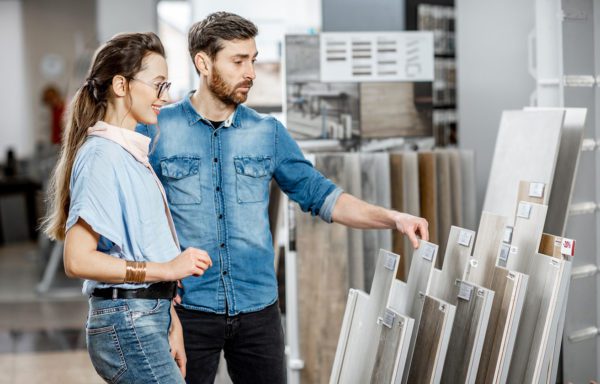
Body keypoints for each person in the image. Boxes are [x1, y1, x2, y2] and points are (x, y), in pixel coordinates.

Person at [137, 12, 429, 384]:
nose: (252, 72)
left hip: (258, 311)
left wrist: (393, 218)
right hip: (188, 310)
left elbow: (322, 196)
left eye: (253, 60)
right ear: (203, 63)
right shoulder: (158, 129)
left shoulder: (267, 132)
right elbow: (137, 217)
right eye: (238, 60)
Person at [42, 32, 213, 384]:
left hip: (147, 316)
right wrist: (167, 270)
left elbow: (144, 244)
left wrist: (171, 321)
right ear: (121, 85)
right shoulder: (102, 155)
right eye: (158, 86)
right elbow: (78, 260)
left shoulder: (129, 153)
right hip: (128, 322)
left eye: (167, 86)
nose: (164, 98)